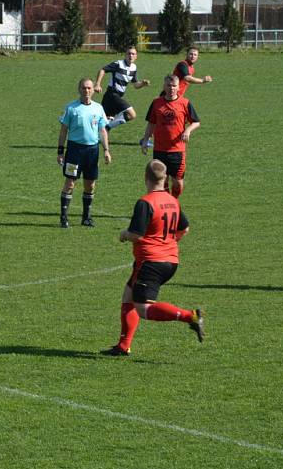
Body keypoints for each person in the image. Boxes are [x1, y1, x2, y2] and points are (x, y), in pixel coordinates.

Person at [100, 160, 204, 356]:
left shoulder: (145, 202)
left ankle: (190, 316)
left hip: (151, 262)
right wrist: (167, 243)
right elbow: (185, 228)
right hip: (170, 260)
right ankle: (123, 346)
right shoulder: (172, 200)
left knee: (143, 308)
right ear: (164, 179)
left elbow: (136, 235)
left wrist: (124, 234)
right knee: (128, 295)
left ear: (145, 177)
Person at [57, 77, 112, 228]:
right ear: (79, 90)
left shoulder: (98, 108)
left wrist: (106, 150)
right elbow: (63, 131)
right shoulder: (71, 108)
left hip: (92, 151)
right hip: (75, 151)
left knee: (90, 184)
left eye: (89, 88)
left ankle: (86, 217)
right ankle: (63, 217)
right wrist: (60, 151)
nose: (86, 91)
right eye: (83, 88)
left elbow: (102, 130)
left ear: (93, 90)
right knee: (70, 183)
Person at [140, 75, 201, 199]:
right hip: (159, 149)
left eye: (174, 86)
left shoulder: (185, 103)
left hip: (177, 150)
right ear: (164, 86)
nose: (171, 88)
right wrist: (146, 139)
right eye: (168, 85)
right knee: (162, 181)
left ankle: (174, 200)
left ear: (178, 87)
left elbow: (196, 122)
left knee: (177, 183)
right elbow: (151, 123)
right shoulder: (156, 103)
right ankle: (168, 204)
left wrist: (188, 130)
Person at [95, 46, 150, 131]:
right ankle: (107, 127)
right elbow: (103, 70)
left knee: (104, 122)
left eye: (133, 54)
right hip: (112, 94)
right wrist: (97, 84)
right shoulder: (118, 64)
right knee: (132, 114)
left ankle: (103, 131)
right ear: (125, 55)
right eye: (129, 53)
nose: (131, 56)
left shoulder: (134, 68)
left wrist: (142, 83)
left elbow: (135, 85)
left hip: (114, 97)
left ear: (136, 56)